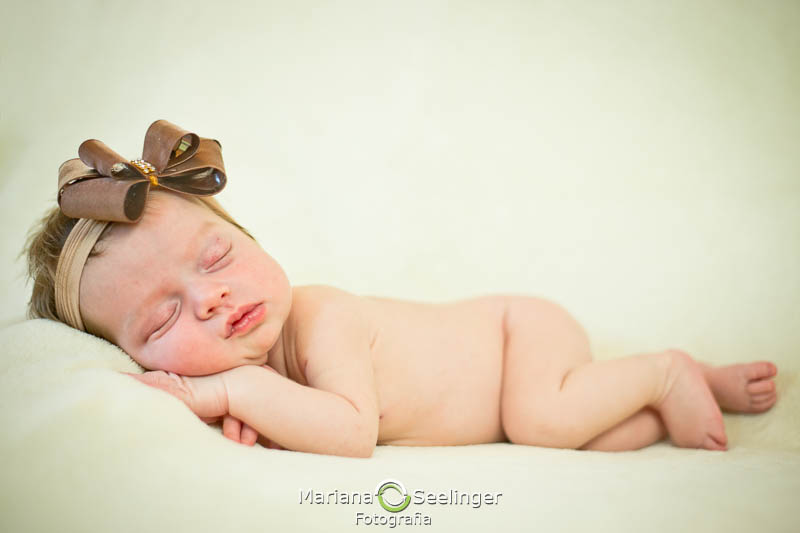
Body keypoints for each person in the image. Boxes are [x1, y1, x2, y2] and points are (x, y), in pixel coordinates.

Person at [23, 120, 779, 457]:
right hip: (508, 411)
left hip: (519, 334)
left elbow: (352, 431)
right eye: (162, 320)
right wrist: (251, 409)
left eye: (216, 257)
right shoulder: (260, 366)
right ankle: (677, 388)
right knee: (604, 436)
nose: (211, 299)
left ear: (250, 235)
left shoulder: (322, 317)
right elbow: (302, 418)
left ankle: (668, 368)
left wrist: (228, 397)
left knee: (546, 417)